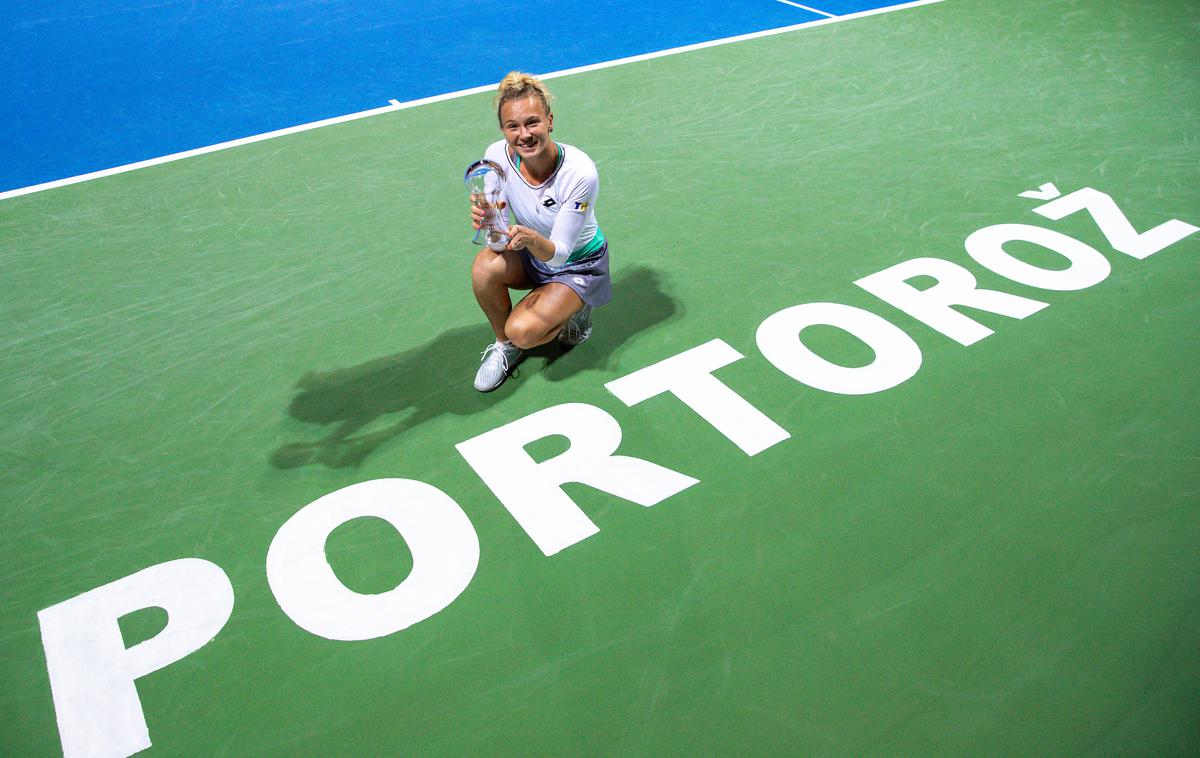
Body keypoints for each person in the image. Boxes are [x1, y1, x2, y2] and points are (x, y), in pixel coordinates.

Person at [469, 71, 611, 392]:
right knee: (483, 269)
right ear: (503, 130)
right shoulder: (495, 157)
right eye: (513, 126)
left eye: (532, 122)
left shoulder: (580, 173)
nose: (524, 135)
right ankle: (504, 345)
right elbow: (497, 242)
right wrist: (489, 221)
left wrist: (530, 238)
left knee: (523, 330)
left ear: (549, 120)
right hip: (532, 254)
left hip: (577, 264)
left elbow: (560, 252)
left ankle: (577, 309)